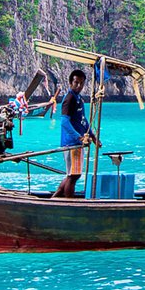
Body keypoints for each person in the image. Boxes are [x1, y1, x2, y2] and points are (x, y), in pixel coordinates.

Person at [52, 68, 97, 198]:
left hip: (77, 142)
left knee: (71, 174)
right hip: (72, 143)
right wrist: (79, 137)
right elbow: (64, 122)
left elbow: (83, 120)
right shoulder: (69, 98)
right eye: (76, 82)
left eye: (81, 83)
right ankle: (70, 202)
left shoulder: (79, 98)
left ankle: (55, 198)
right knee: (74, 175)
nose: (79, 86)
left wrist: (93, 137)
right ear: (71, 83)